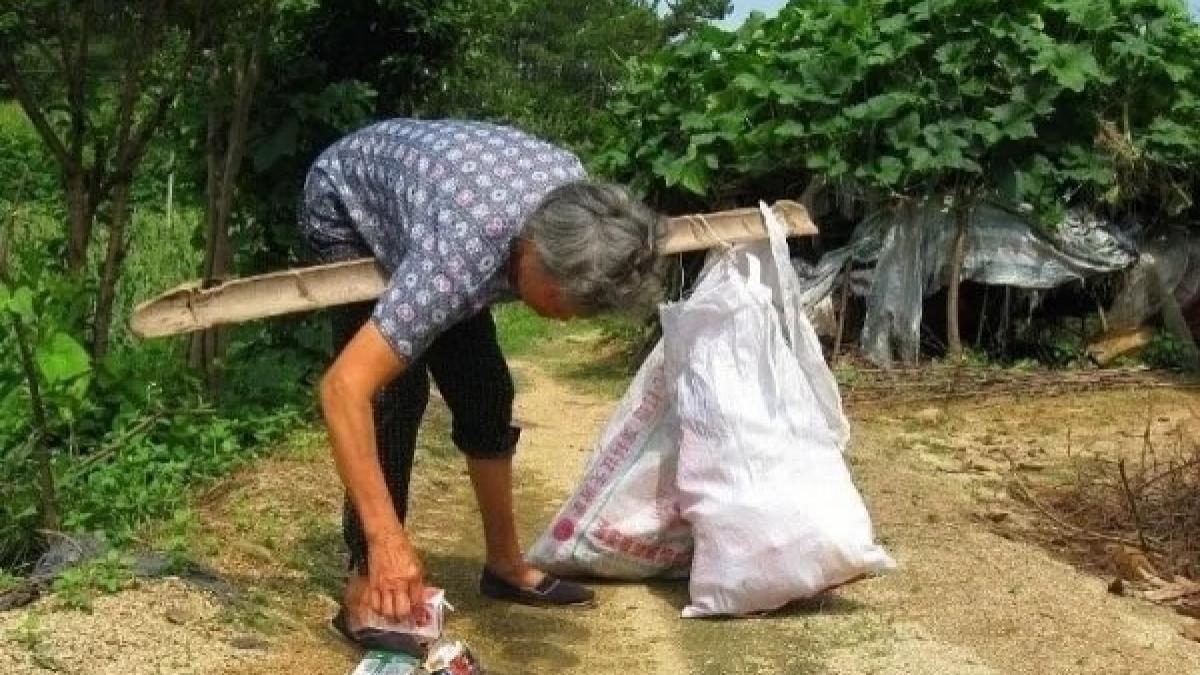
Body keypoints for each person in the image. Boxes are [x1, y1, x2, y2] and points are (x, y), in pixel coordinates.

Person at [297, 118, 662, 647]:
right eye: (564, 301)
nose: (567, 318)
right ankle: (367, 576)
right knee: (393, 395)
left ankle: (505, 564)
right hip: (346, 198)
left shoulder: (578, 207)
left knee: (485, 391)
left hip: (448, 209)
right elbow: (343, 389)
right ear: (532, 252)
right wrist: (388, 542)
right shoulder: (459, 256)